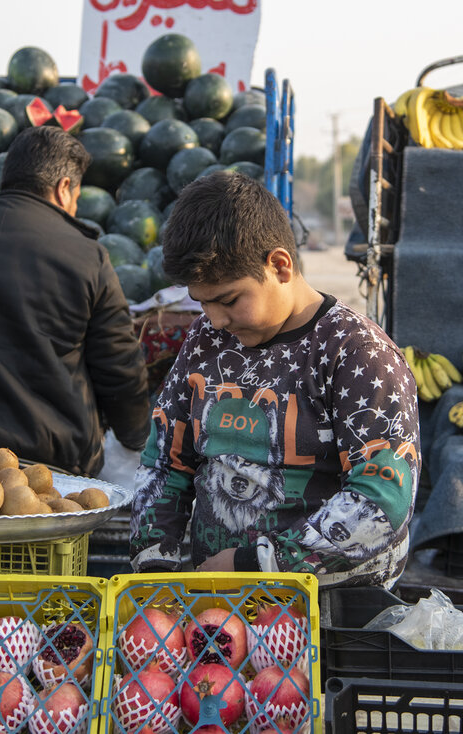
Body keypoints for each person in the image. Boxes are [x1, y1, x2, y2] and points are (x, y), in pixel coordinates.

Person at [129, 171, 420, 588]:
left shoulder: (358, 355)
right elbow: (164, 461)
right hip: (216, 610)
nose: (215, 319)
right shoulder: (206, 339)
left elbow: (382, 500)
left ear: (279, 266)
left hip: (328, 615)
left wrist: (260, 563)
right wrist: (157, 564)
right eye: (202, 303)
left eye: (228, 299)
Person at [0, 126, 149, 476]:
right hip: (43, 469)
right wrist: (136, 436)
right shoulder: (86, 256)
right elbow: (119, 367)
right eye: (76, 195)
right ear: (64, 188)